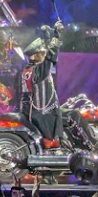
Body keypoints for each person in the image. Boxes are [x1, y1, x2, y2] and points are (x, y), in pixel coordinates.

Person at [16, 21, 65, 149]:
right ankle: (57, 143)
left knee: (71, 114)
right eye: (42, 52)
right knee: (71, 116)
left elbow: (48, 57)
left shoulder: (27, 69)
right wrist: (56, 36)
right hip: (41, 113)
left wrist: (47, 36)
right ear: (36, 56)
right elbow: (50, 57)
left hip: (31, 110)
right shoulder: (38, 70)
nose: (44, 53)